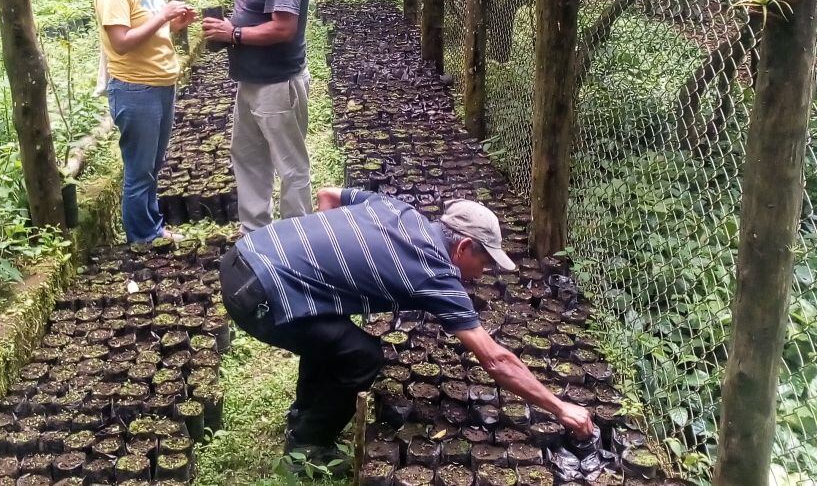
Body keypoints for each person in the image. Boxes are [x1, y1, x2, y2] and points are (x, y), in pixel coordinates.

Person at [219, 187, 595, 468]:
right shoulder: (435, 274)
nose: (482, 274)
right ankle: (306, 449)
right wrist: (560, 407)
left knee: (333, 337)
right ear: (463, 247)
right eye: (484, 262)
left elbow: (328, 195)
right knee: (361, 357)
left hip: (244, 254)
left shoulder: (397, 209)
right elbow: (495, 360)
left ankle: (303, 415)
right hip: (257, 298)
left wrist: (328, 275)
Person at [201, 0, 312, 233]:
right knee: (248, 157)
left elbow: (283, 28)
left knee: (290, 165)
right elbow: (256, 17)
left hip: (277, 84)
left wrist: (233, 34)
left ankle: (297, 239)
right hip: (252, 83)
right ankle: (255, 234)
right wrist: (227, 28)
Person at [94, 0, 195, 243]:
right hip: (136, 89)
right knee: (139, 169)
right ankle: (142, 237)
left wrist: (174, 23)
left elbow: (151, 29)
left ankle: (153, 227)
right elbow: (121, 43)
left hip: (161, 85)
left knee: (153, 164)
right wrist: (163, 15)